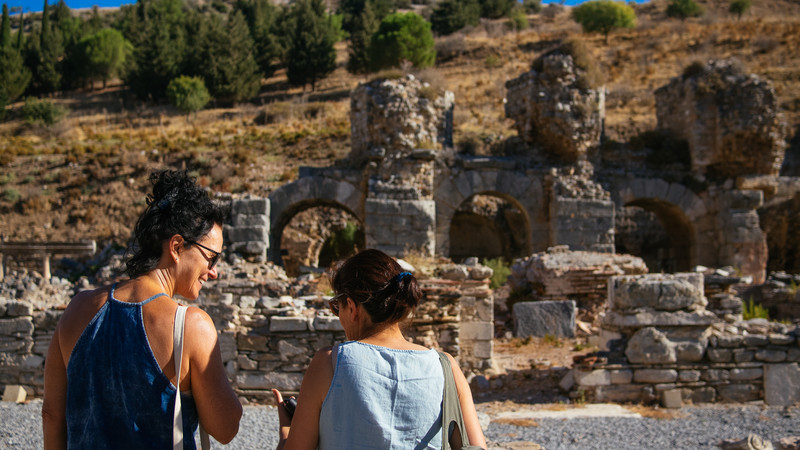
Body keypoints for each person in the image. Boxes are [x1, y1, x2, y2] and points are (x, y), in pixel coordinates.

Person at [42, 169, 242, 449]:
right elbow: (226, 428)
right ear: (176, 246)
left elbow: (52, 415)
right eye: (211, 258)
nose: (214, 272)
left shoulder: (77, 308)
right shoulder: (190, 326)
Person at [272, 248, 486, 450]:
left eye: (337, 307)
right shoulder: (446, 367)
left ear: (353, 307)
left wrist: (286, 432)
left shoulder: (328, 363)